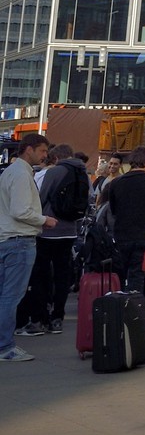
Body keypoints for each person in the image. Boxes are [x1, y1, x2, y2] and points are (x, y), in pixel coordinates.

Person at [18, 140, 88, 337]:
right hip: (70, 231)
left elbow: (40, 198)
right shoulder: (83, 173)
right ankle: (58, 317)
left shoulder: (54, 172)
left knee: (41, 274)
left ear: (56, 157)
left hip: (49, 230)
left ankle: (40, 318)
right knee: (62, 275)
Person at [0, 134, 56, 362]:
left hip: (7, 239)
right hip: (20, 241)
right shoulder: (22, 174)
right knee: (11, 297)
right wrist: (44, 220)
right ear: (29, 149)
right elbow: (20, 210)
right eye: (42, 151)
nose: (45, 156)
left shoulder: (10, 172)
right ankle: (5, 346)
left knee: (5, 295)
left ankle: (4, 343)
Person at [99, 145, 145, 297]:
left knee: (121, 274)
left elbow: (113, 210)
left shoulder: (114, 184)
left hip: (121, 235)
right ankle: (133, 309)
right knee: (137, 275)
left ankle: (119, 306)